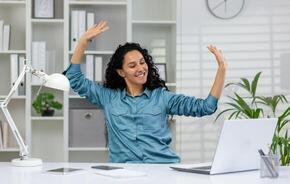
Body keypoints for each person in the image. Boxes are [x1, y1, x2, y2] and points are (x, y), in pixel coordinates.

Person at [64, 21, 227, 163]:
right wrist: (83, 42)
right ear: (121, 72)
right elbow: (74, 79)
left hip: (161, 171)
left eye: (142, 63)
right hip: (123, 173)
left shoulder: (162, 97)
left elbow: (206, 107)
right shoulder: (108, 97)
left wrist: (222, 69)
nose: (141, 68)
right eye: (132, 65)